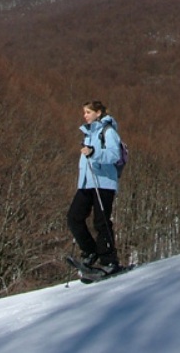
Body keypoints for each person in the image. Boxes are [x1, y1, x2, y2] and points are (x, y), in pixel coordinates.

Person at [67, 100, 121, 271]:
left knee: (101, 222)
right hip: (86, 183)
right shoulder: (88, 134)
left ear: (98, 113)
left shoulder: (108, 131)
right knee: (74, 217)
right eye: (84, 113)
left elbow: (114, 155)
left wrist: (94, 152)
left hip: (103, 183)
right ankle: (90, 251)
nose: (85, 116)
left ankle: (109, 259)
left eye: (88, 112)